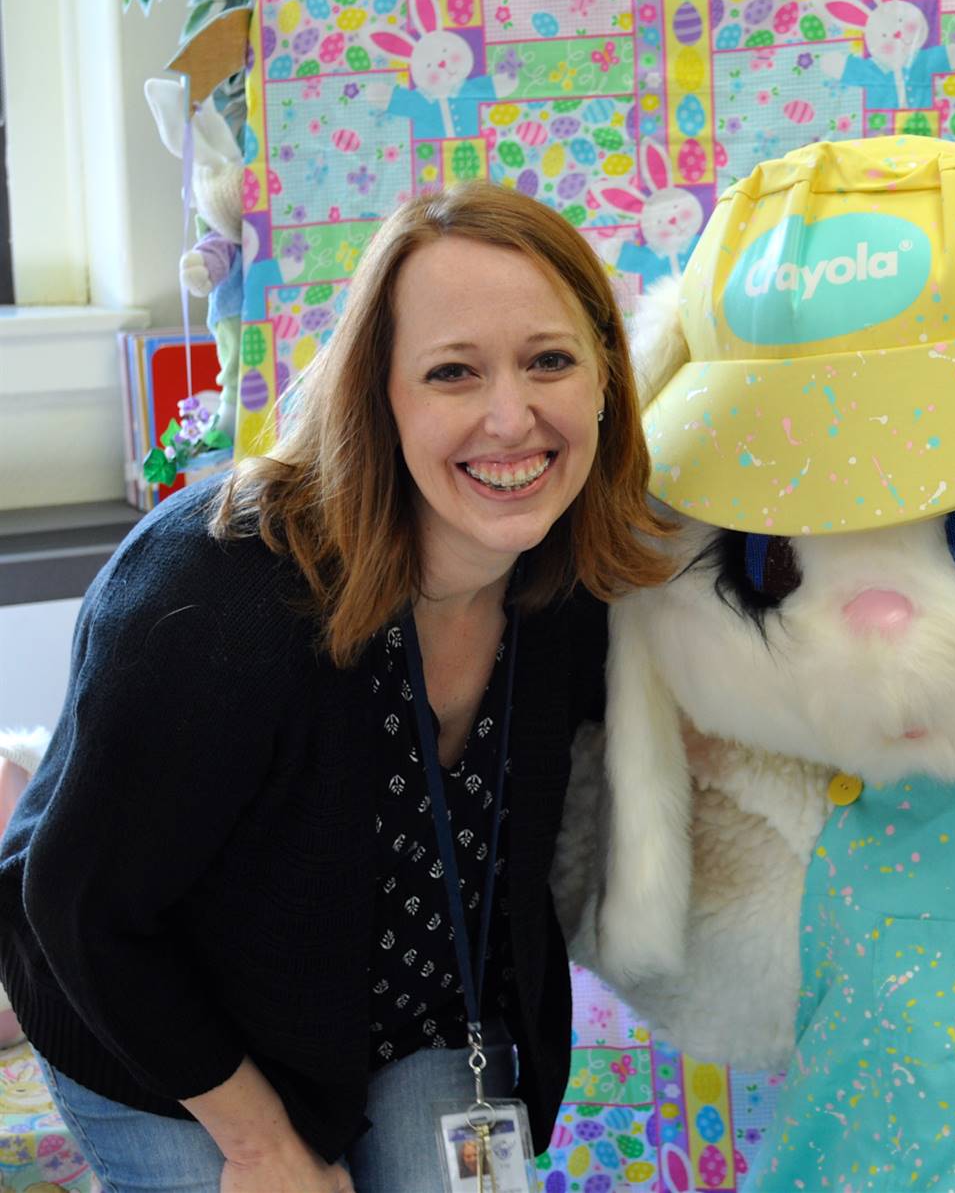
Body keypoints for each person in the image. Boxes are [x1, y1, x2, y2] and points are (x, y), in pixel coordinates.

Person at [0, 182, 673, 1191]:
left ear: (607, 379)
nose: (511, 416)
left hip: (413, 1011)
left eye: (550, 361)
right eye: (453, 372)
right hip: (162, 1022)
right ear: (379, 394)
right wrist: (263, 1145)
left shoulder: (574, 581)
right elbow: (81, 911)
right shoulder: (213, 599)